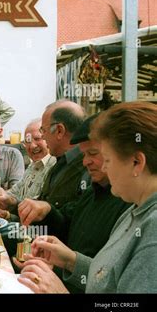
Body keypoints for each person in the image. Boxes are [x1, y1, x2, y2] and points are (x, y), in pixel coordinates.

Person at [18, 101, 157, 293]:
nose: (104, 167)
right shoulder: (136, 210)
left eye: (107, 159)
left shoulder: (152, 229)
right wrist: (69, 260)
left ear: (137, 162)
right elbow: (107, 279)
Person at [18, 100, 87, 215]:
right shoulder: (60, 162)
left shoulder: (87, 167)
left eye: (43, 131)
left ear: (60, 131)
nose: (43, 136)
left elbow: (75, 221)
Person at [0, 118, 56, 220]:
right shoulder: (33, 165)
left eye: (38, 139)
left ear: (48, 138)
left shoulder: (54, 167)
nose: (32, 146)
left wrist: (8, 216)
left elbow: (37, 213)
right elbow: (15, 192)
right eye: (28, 141)